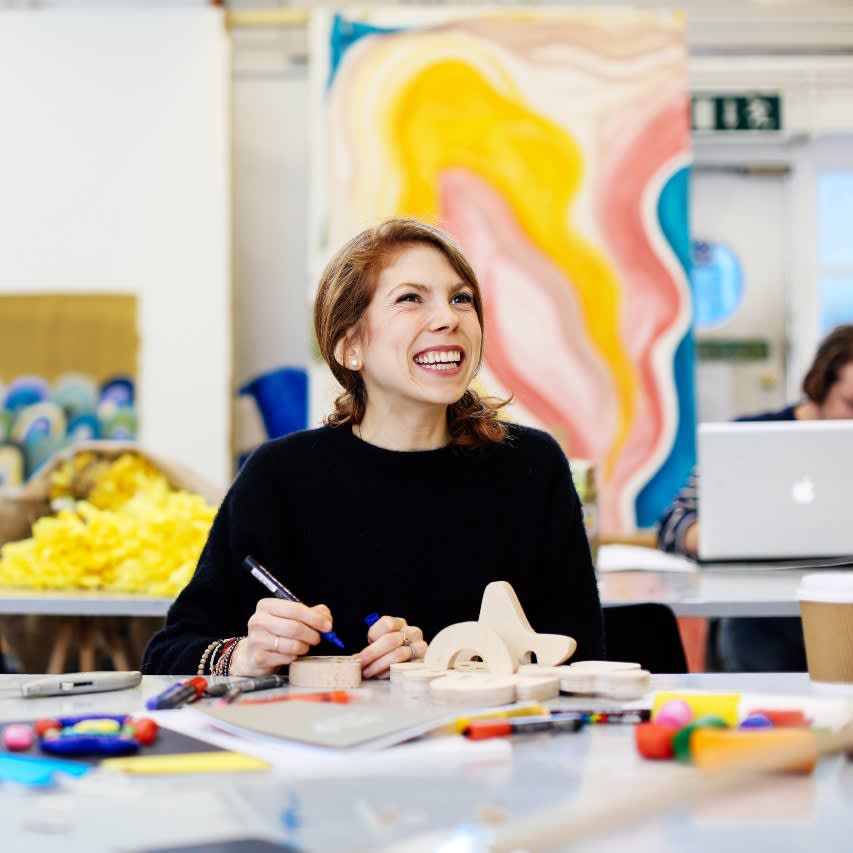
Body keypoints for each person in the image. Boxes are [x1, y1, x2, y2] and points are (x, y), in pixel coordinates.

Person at [143, 218, 604, 677]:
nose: (449, 318)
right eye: (410, 299)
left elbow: (585, 658)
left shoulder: (531, 467)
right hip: (324, 744)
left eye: (461, 298)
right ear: (349, 346)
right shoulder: (279, 476)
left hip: (488, 744)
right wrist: (246, 655)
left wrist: (450, 668)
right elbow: (169, 655)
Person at [658, 323, 853, 671]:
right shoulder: (745, 439)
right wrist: (719, 537)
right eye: (850, 404)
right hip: (758, 619)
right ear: (818, 387)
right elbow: (673, 522)